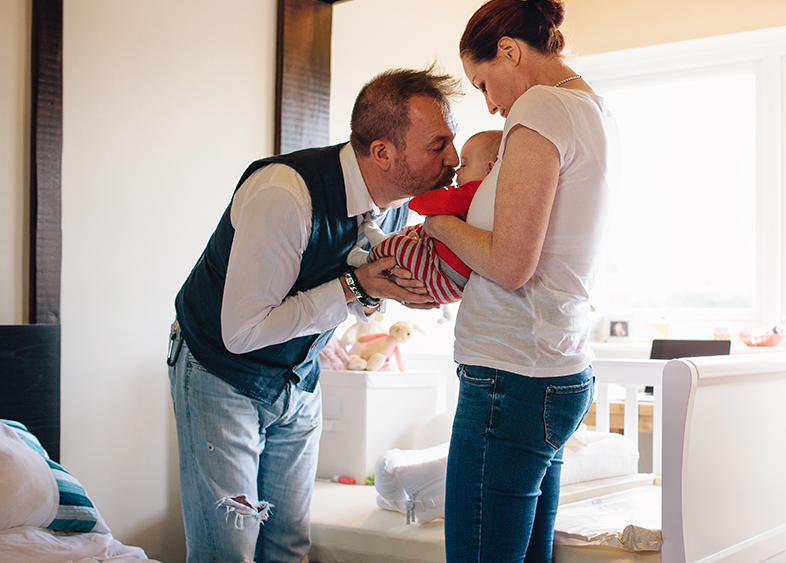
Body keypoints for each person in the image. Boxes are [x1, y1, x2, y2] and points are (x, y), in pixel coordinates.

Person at [168, 67, 461, 563]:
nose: (453, 159)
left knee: (288, 547)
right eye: (438, 145)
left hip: (299, 379)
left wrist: (377, 294)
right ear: (383, 153)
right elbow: (242, 331)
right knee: (229, 553)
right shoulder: (286, 193)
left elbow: (350, 298)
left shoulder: (392, 207)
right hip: (220, 371)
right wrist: (356, 285)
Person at [423, 1, 621, 561]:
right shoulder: (595, 110)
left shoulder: (540, 107)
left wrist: (439, 224)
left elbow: (511, 264)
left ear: (510, 50)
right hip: (555, 368)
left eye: (484, 82)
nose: (490, 104)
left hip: (509, 377)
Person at [357, 129, 502, 305]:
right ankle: (382, 242)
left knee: (401, 246)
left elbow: (430, 203)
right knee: (415, 231)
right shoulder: (499, 199)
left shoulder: (476, 191)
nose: (456, 170)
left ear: (490, 169)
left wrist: (416, 195)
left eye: (464, 165)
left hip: (445, 276)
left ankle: (366, 258)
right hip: (452, 285)